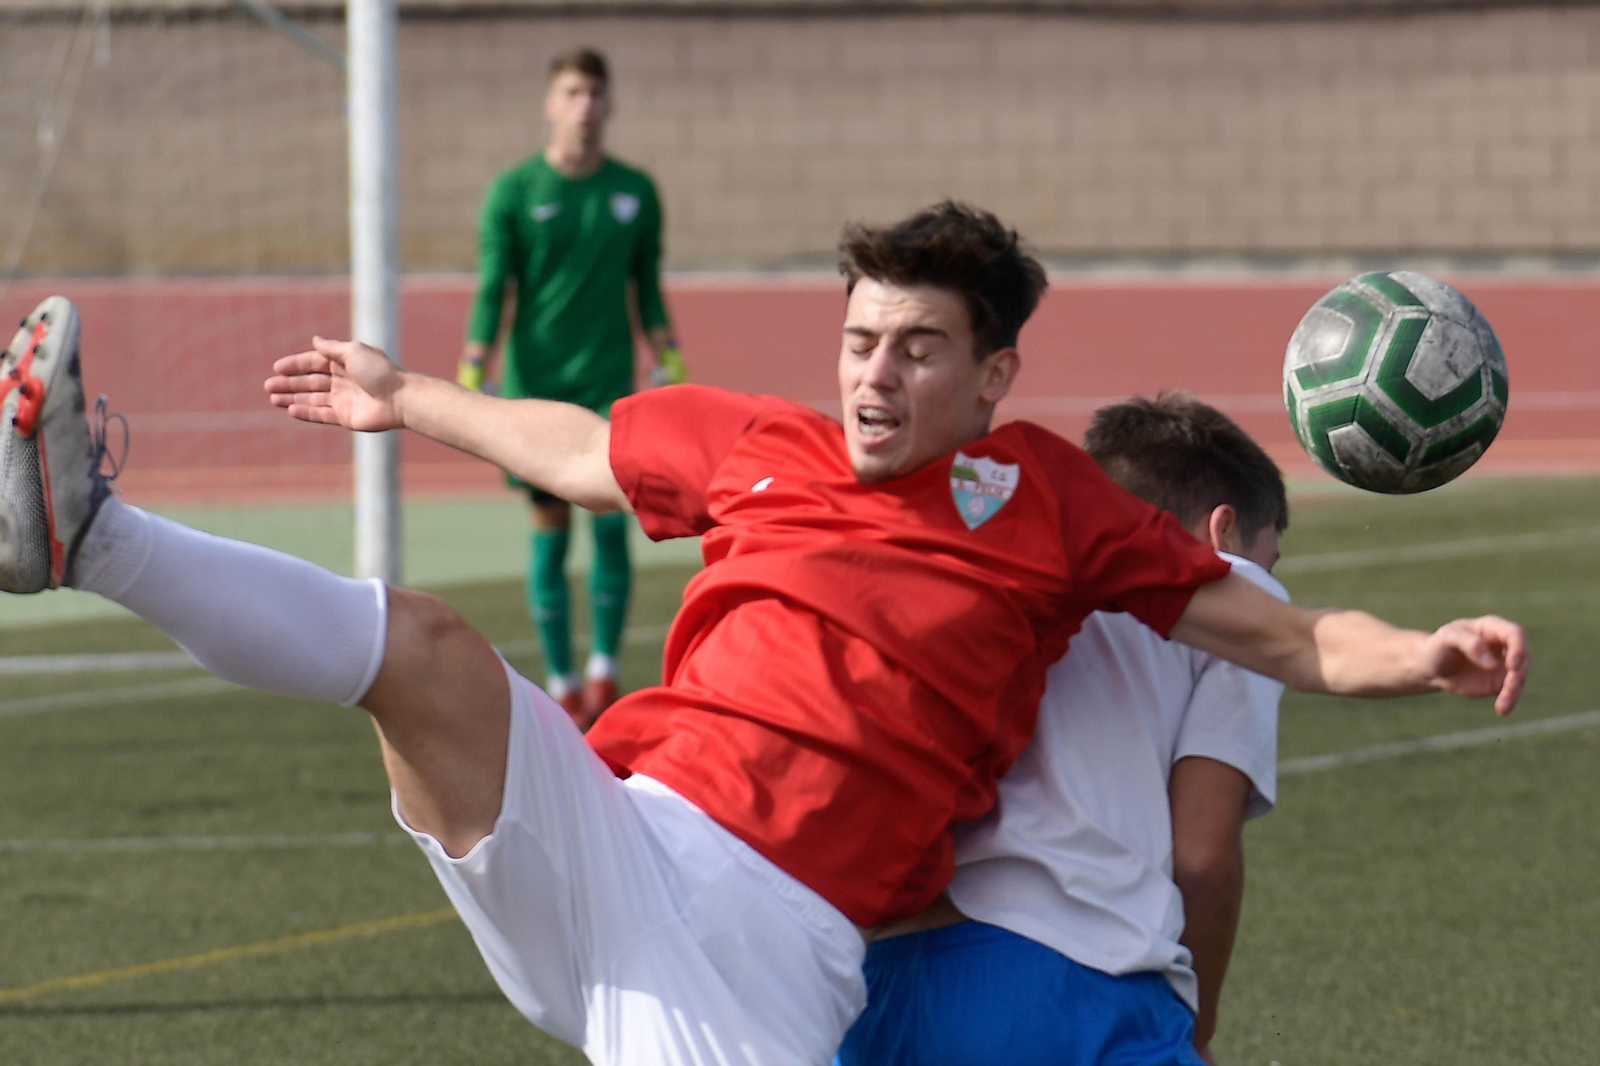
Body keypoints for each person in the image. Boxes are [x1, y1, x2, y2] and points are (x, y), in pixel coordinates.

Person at [0, 203, 1525, 1066]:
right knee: (422, 649)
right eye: (859, 340)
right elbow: (579, 447)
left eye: (917, 348)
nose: (874, 375)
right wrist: (407, 399)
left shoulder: (1050, 504)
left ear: (994, 375)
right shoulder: (757, 441)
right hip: (623, 825)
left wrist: (1423, 651)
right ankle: (90, 535)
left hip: (761, 940)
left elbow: (1283, 638)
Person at [836, 393, 1292, 1066]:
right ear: (1222, 531)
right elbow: (1203, 857)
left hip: (878, 984)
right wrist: (1197, 1027)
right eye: (1269, 557)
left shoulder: (995, 561)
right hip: (1072, 979)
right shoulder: (1233, 587)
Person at [459, 46, 683, 728]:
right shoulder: (515, 191)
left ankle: (604, 671)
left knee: (613, 520)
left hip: (609, 383)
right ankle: (562, 681)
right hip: (538, 387)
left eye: (594, 93)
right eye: (572, 93)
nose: (584, 106)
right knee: (550, 528)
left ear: (609, 103)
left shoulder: (636, 191)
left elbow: (646, 287)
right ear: (550, 104)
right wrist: (475, 363)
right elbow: (495, 285)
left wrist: (669, 356)